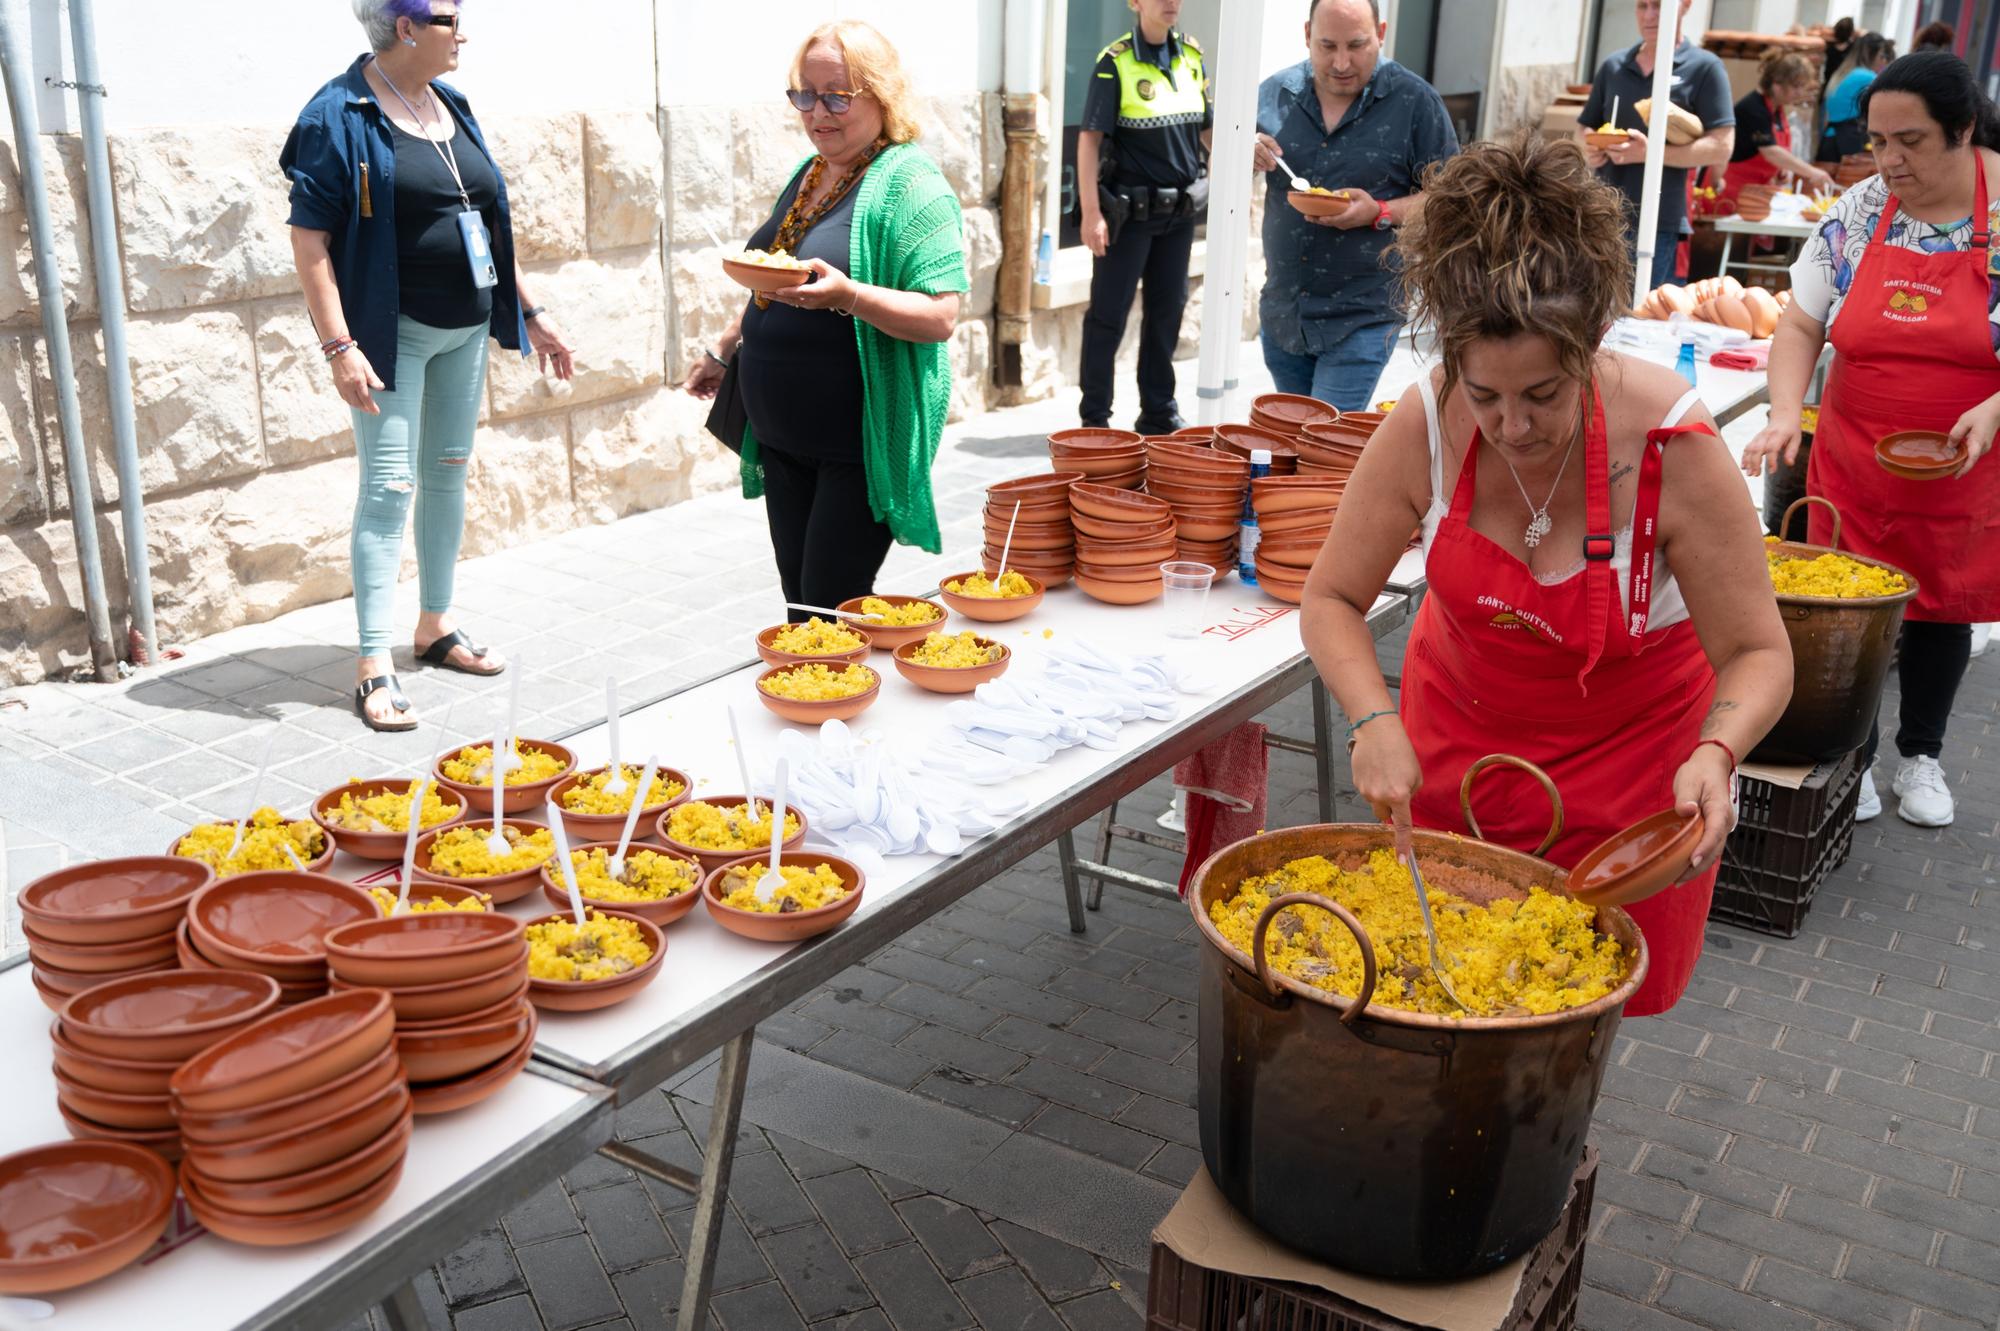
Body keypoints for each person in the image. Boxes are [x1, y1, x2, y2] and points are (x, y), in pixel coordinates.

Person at [1300, 137, 1792, 1017]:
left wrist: (1719, 753)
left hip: (1634, 790)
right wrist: (1372, 720)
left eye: (1545, 394)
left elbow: (1759, 651)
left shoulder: (1676, 449)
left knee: (1568, 1015)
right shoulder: (1426, 421)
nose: (1512, 426)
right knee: (1438, 991)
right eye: (1486, 396)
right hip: (1452, 766)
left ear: (1591, 343)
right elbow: (1331, 597)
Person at [283, 0, 575, 732]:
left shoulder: (450, 103)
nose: (463, 31)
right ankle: (372, 664)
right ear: (404, 25)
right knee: (387, 489)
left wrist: (531, 314)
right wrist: (339, 346)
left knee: (447, 472)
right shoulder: (339, 114)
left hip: (466, 329)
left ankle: (434, 628)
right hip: (394, 336)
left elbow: (486, 222)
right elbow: (309, 240)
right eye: (449, 17)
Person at [1741, 52, 2000, 828]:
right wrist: (1786, 411)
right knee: (1842, 614)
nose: (1889, 159)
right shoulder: (1860, 209)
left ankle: (1922, 756)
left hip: (1966, 460)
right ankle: (1855, 756)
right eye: (1878, 140)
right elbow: (1800, 322)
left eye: (1910, 141)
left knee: (1941, 607)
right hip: (1854, 454)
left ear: (1963, 131)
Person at [685, 21, 966, 619]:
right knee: (801, 609)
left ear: (882, 96)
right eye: (804, 94)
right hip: (783, 441)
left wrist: (850, 296)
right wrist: (727, 349)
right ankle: (818, 708)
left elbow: (941, 316)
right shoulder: (811, 174)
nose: (818, 112)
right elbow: (775, 276)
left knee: (827, 615)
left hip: (856, 449)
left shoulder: (914, 187)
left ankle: (838, 709)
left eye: (837, 95)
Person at [1251, 0, 1455, 411]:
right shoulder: (1274, 94)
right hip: (1285, 316)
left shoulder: (1415, 101)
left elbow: (1453, 199)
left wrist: (1380, 211)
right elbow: (1219, 162)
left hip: (1362, 316)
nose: (1341, 62)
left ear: (1380, 33)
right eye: (1327, 46)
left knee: (1324, 446)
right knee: (1290, 447)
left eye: (1357, 45)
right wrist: (1245, 151)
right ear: (1307, 34)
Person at [1075, 0, 1212, 433]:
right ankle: (1095, 418)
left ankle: (1157, 411)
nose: (1171, 3)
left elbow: (1206, 130)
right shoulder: (1114, 62)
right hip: (1128, 218)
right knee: (1108, 318)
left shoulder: (1191, 56)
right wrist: (1091, 213)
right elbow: (1089, 140)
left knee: (1167, 313)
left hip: (1179, 217)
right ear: (1135, 3)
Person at [1578, 0, 1736, 289]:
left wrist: (1651, 154)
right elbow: (1584, 127)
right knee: (1596, 315)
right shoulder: (1614, 66)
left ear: (1684, 6)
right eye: (1642, 6)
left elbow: (1721, 146)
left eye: (1658, 6)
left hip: (1660, 221)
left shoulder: (1705, 68)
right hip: (1602, 215)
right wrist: (1590, 145)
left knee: (1643, 319)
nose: (1649, 16)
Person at [1720, 47, 1835, 211]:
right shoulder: (1753, 109)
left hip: (1757, 193)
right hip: (1734, 192)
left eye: (1802, 86)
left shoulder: (1777, 109)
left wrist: (1782, 169)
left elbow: (1775, 152)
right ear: (1777, 84)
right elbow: (1771, 151)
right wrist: (1812, 172)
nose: (1800, 92)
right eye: (1796, 86)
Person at [1818, 33, 1896, 162]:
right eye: (1881, 56)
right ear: (1872, 54)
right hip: (1845, 141)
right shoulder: (1867, 76)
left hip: (1830, 137)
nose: (1883, 61)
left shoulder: (1843, 72)